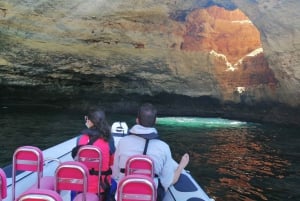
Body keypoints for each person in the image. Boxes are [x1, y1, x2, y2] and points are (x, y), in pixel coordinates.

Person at [112, 103, 189, 201]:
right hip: (151, 197)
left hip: (123, 196)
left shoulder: (123, 142)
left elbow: (115, 174)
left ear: (137, 120)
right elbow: (168, 182)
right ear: (155, 121)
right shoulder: (164, 147)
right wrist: (181, 166)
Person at [73, 108, 115, 201]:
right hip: (101, 187)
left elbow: (77, 161)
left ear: (90, 122)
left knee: (74, 188)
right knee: (114, 184)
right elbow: (111, 162)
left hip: (82, 185)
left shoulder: (80, 139)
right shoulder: (109, 140)